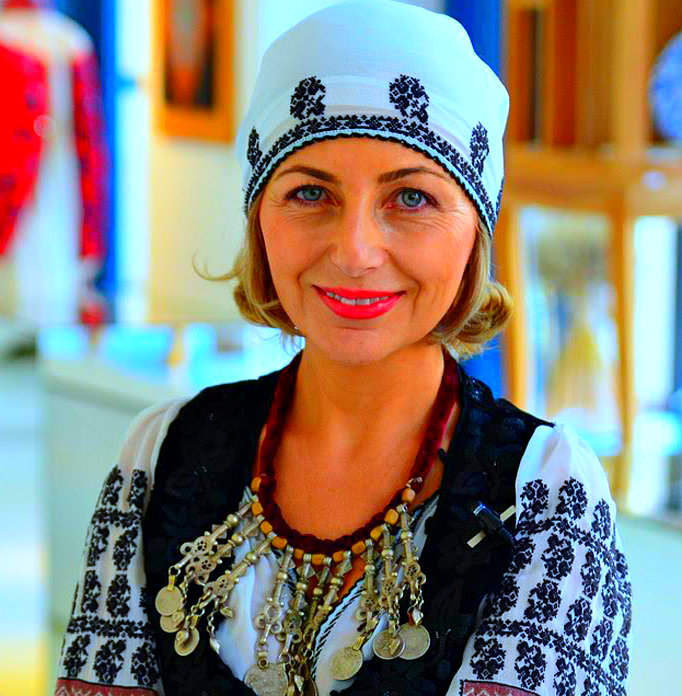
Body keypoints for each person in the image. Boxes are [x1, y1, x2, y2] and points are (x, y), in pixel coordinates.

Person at [54, 2, 632, 695]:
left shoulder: (543, 491)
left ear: (474, 234)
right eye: (310, 192)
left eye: (411, 198)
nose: (356, 251)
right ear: (259, 221)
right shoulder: (160, 455)